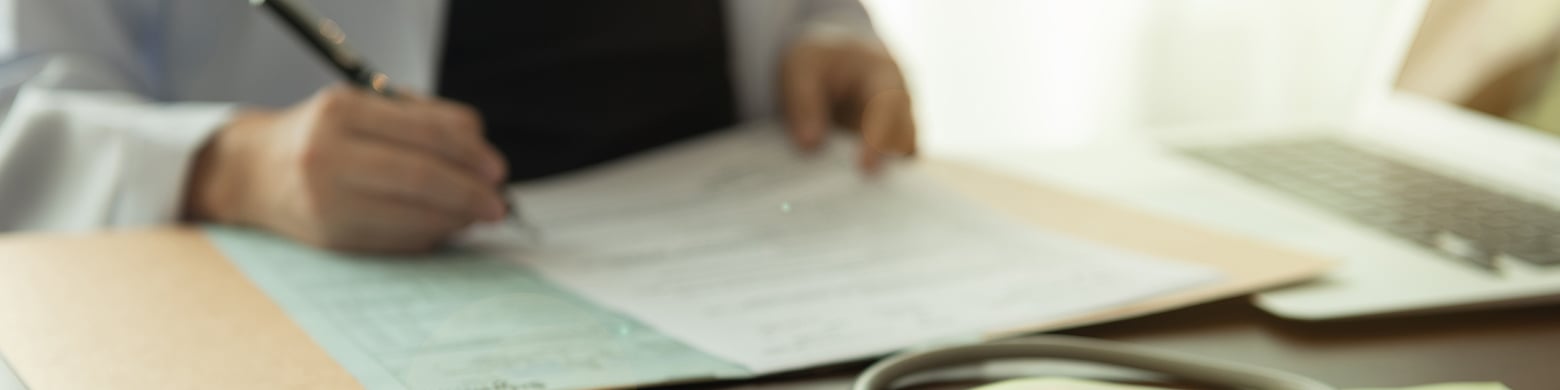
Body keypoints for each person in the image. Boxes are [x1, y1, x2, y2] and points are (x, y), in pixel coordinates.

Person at [0, 0, 917, 253]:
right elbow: (25, 104)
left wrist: (828, 41)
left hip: (768, 281)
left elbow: (806, 13)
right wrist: (228, 166)